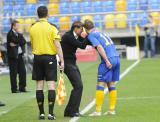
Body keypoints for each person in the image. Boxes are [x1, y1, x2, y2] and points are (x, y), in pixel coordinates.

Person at [29, 6, 64, 120]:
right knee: (50, 85)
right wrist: (61, 60)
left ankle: (41, 113)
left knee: (39, 86)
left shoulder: (32, 28)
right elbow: (57, 45)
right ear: (47, 14)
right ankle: (50, 113)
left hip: (37, 58)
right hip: (49, 58)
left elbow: (32, 44)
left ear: (37, 14)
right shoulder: (52, 28)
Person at [83, 20, 120, 116]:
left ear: (85, 29)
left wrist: (107, 60)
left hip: (108, 59)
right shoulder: (101, 33)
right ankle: (112, 110)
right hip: (116, 58)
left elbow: (99, 47)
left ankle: (98, 111)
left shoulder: (91, 35)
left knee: (100, 84)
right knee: (111, 84)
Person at [61, 21, 89, 117]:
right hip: (67, 63)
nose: (82, 31)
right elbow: (82, 45)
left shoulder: (73, 36)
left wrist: (87, 37)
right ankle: (73, 111)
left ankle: (69, 111)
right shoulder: (68, 36)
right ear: (75, 28)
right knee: (78, 86)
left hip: (72, 63)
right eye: (81, 29)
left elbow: (82, 44)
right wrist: (88, 36)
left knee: (78, 86)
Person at [7, 20, 27, 93]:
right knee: (13, 73)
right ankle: (14, 89)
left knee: (23, 72)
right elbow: (14, 40)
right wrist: (18, 42)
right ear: (13, 26)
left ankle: (22, 87)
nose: (18, 27)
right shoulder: (9, 34)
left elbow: (23, 41)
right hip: (12, 57)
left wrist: (16, 44)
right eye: (17, 25)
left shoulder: (18, 34)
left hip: (20, 56)